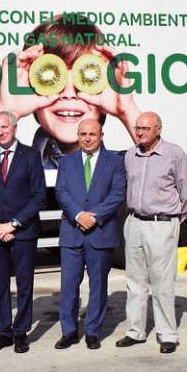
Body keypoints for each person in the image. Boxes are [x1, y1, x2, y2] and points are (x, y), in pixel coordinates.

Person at [0, 15, 141, 171]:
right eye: (51, 79)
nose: (69, 94)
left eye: (86, 80)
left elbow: (167, 185)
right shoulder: (10, 169)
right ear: (31, 85)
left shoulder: (127, 168)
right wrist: (7, 110)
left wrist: (127, 109)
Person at [115, 111, 187, 354]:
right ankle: (135, 331)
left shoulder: (174, 154)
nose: (139, 132)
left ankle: (167, 334)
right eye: (137, 128)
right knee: (135, 282)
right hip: (135, 222)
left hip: (162, 224)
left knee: (162, 283)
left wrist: (173, 221)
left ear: (158, 129)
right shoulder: (131, 154)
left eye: (145, 128)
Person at [0, 111, 46, 354]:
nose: (0, 132)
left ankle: (21, 332)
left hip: (23, 232)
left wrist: (14, 224)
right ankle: (4, 331)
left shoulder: (32, 156)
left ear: (14, 128)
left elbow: (39, 196)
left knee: (25, 284)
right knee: (0, 284)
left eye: (4, 127)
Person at [54, 119, 126, 350]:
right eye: (83, 134)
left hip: (100, 232)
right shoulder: (66, 162)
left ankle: (93, 331)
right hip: (72, 233)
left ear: (101, 135)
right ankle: (69, 331)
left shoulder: (114, 161)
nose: (86, 138)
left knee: (98, 285)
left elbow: (117, 194)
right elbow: (61, 192)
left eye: (91, 134)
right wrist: (78, 215)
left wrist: (94, 216)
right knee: (68, 285)